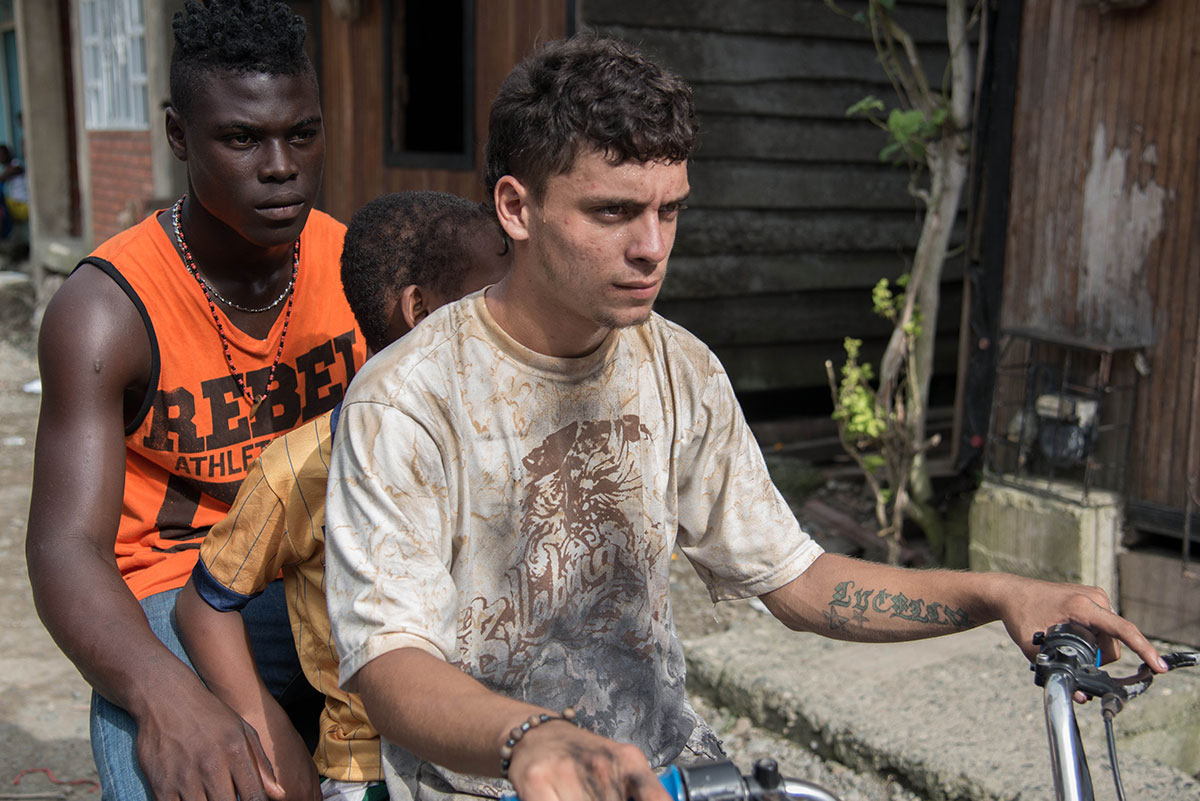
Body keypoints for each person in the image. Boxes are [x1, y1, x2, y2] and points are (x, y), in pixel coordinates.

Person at [322, 34, 1168, 801]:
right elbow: (389, 661)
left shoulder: (678, 367)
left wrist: (998, 591)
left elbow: (797, 579)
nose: (652, 246)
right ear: (517, 208)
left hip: (677, 772)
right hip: (494, 785)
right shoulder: (408, 399)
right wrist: (531, 738)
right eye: (613, 211)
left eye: (670, 210)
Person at [25, 2, 366, 800]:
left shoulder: (358, 267)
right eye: (242, 139)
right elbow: (65, 549)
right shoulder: (106, 310)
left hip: (326, 576)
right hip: (172, 593)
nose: (280, 166)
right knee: (183, 758)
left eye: (302, 134)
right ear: (179, 136)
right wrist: (168, 698)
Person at [174, 191, 512, 801]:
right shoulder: (308, 465)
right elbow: (204, 605)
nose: (518, 315)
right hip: (375, 770)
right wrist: (266, 726)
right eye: (497, 297)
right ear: (420, 311)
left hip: (506, 747)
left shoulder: (515, 436)